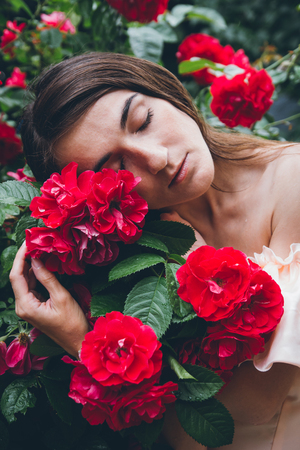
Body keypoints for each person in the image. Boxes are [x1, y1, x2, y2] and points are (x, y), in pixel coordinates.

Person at [9, 52, 300, 450]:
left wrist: (84, 342)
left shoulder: (293, 183)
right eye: (118, 170)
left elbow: (254, 404)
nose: (158, 159)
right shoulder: (133, 260)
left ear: (164, 91)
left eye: (143, 120)